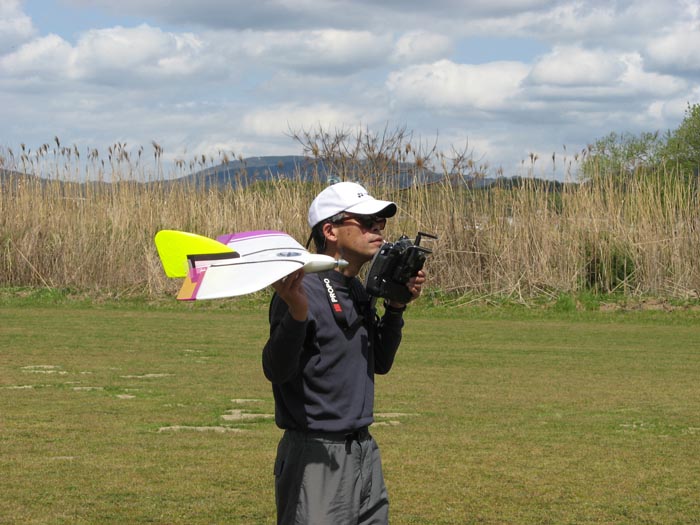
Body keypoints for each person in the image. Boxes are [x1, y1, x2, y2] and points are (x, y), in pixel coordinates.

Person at [262, 181, 426, 525]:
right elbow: (276, 369)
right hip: (316, 453)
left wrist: (396, 307)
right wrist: (295, 313)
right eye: (366, 222)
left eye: (380, 222)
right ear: (330, 230)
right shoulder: (298, 287)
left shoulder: (354, 288)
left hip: (363, 448)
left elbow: (379, 363)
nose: (377, 229)